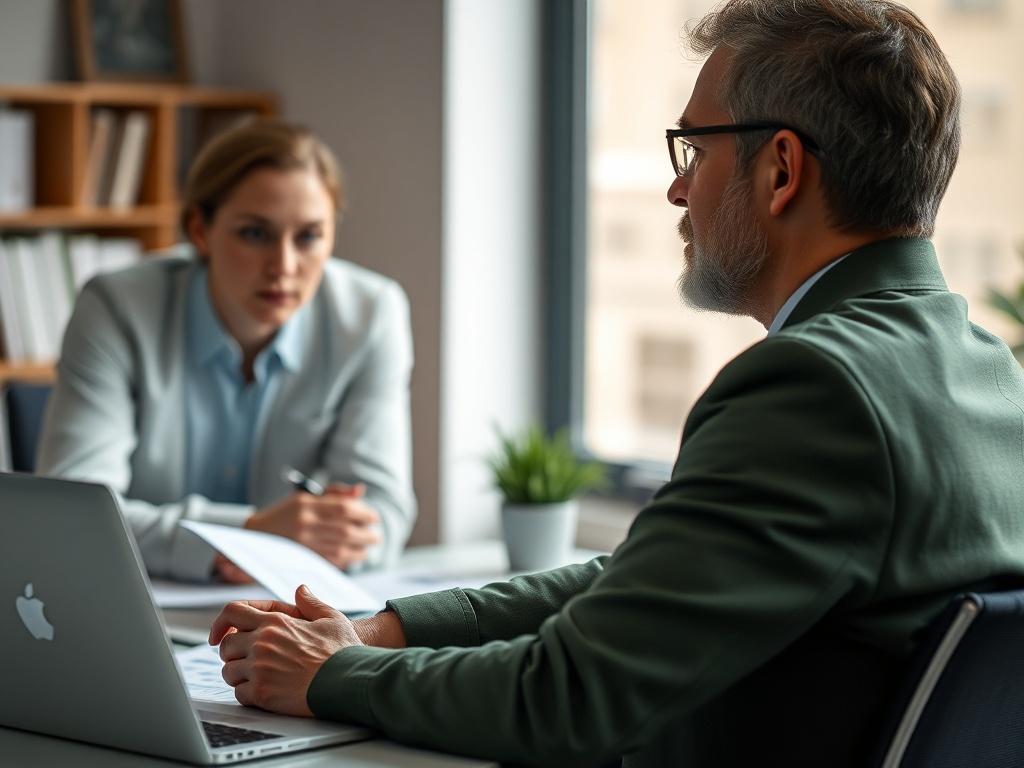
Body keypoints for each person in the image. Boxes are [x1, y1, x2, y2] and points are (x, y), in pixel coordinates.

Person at [208, 2, 1024, 766]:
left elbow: (568, 697)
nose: (677, 187)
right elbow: (647, 580)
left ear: (781, 170)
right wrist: (383, 627)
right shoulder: (985, 372)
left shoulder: (813, 387)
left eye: (695, 151)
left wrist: (330, 676)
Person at [38, 120, 416, 582]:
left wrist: (340, 533)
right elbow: (73, 516)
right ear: (200, 229)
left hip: (290, 617)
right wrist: (249, 534)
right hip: (134, 606)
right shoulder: (116, 309)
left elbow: (385, 519)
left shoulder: (371, 316)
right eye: (255, 234)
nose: (284, 266)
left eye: (309, 236)